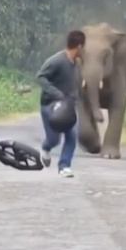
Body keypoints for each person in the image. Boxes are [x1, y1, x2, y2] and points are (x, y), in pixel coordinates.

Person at [36, 30, 86, 177]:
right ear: (79, 46)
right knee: (54, 139)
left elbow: (74, 86)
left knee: (71, 136)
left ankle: (64, 166)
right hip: (51, 105)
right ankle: (46, 147)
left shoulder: (76, 65)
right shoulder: (57, 60)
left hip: (67, 107)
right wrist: (56, 94)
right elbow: (40, 77)